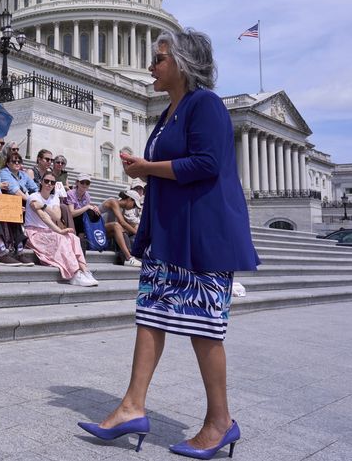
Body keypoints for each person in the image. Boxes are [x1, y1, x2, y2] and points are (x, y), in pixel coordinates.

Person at [80, 29, 259, 458]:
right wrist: (144, 170)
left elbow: (208, 162)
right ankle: (131, 407)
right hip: (168, 233)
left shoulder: (206, 104)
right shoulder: (166, 113)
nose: (150, 66)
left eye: (158, 59)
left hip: (201, 234)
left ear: (182, 63)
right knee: (150, 317)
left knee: (205, 330)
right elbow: (173, 166)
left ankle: (220, 422)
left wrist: (148, 168)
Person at [24, 170, 97, 286]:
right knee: (62, 239)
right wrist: (59, 230)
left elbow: (57, 216)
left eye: (52, 182)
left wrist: (43, 205)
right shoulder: (33, 196)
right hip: (34, 232)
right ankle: (75, 274)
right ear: (41, 182)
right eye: (46, 181)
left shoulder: (54, 198)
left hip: (49, 231)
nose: (49, 184)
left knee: (73, 238)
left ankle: (85, 270)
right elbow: (44, 217)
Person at [100, 190, 143, 267]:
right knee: (117, 225)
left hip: (105, 232)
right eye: (134, 205)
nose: (134, 208)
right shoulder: (113, 201)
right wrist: (137, 233)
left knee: (123, 230)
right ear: (129, 199)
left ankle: (131, 256)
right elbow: (122, 222)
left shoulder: (123, 209)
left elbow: (124, 226)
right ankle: (128, 257)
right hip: (96, 230)